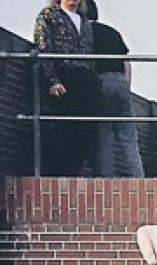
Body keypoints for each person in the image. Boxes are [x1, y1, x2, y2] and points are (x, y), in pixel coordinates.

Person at [33, 0, 101, 176]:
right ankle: (57, 174)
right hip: (64, 75)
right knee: (63, 129)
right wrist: (52, 80)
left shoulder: (85, 21)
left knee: (86, 130)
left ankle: (71, 172)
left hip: (85, 79)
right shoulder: (49, 14)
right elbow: (43, 47)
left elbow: (90, 52)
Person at [85, 0, 143, 177]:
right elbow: (126, 62)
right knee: (128, 136)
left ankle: (105, 179)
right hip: (120, 82)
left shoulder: (84, 31)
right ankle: (138, 178)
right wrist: (126, 87)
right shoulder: (112, 31)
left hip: (101, 81)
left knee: (103, 134)